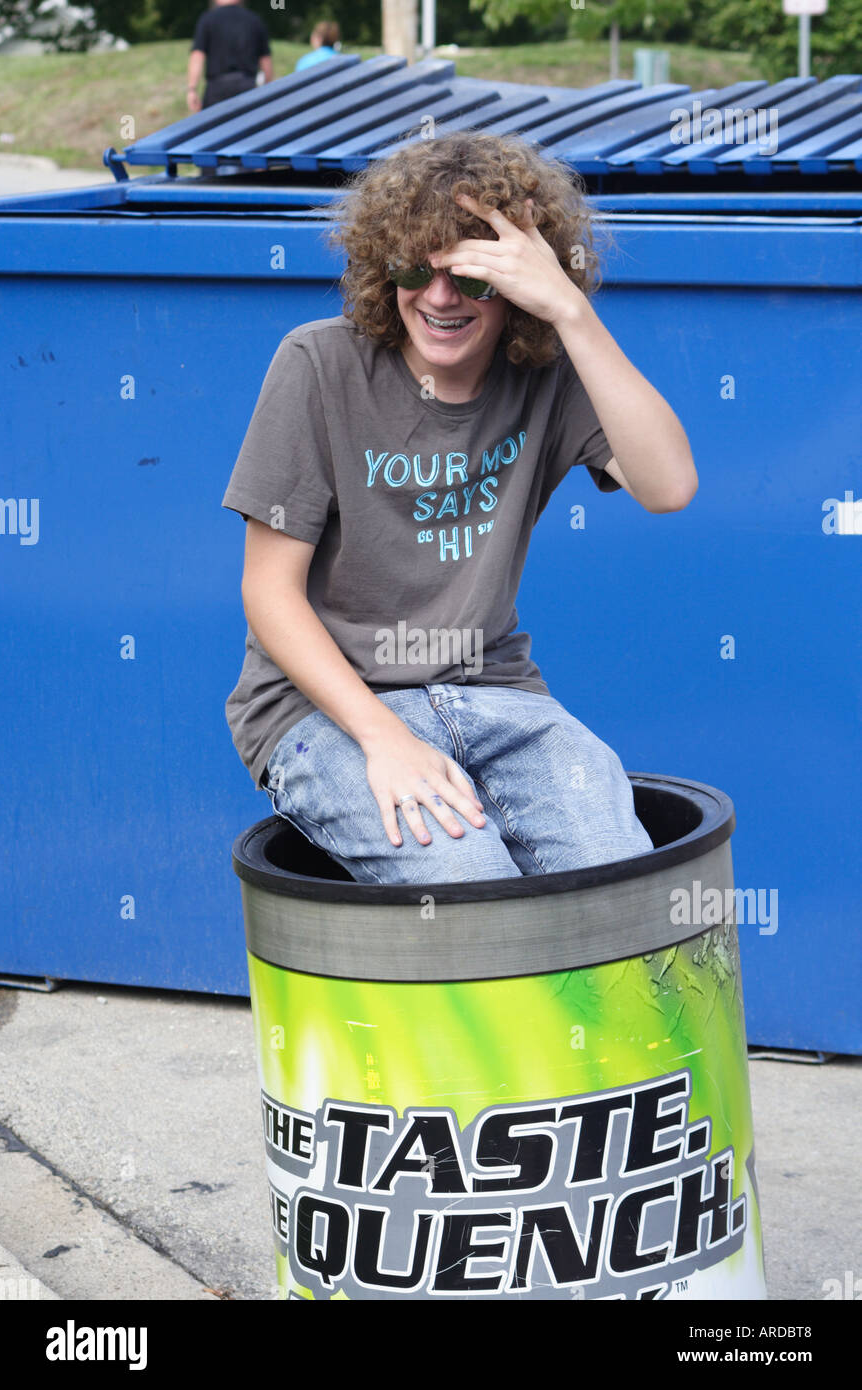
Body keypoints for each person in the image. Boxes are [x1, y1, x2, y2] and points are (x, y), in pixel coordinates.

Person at [221, 131, 698, 886]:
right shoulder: (319, 363)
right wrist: (384, 739)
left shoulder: (547, 374)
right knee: (471, 884)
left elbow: (669, 488)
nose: (440, 299)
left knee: (614, 881)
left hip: (494, 693)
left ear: (518, 283)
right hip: (329, 711)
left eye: (472, 277)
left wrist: (572, 313)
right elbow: (267, 592)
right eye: (417, 269)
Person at [187, 0, 273, 113]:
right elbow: (266, 62)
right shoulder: (255, 20)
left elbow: (197, 55)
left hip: (216, 90)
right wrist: (268, 91)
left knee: (215, 129)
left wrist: (192, 89)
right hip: (247, 87)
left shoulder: (208, 19)